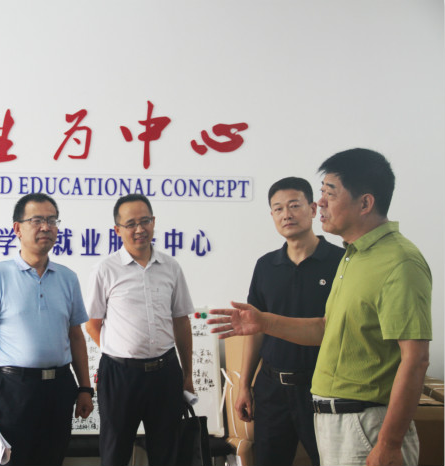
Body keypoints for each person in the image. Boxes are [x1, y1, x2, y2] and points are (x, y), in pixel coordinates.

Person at [209, 148, 431, 466]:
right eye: (322, 192)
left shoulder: (398, 262)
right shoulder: (355, 257)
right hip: (328, 413)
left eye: (330, 193)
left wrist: (389, 443)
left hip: (365, 421)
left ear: (365, 203)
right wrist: (264, 323)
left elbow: (416, 358)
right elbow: (327, 328)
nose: (321, 203)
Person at [0, 193, 93, 466]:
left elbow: (76, 336)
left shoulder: (68, 278)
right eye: (37, 220)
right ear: (17, 228)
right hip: (13, 389)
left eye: (52, 221)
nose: (46, 227)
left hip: (59, 388)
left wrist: (85, 387)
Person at [236, 177, 344, 466]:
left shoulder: (340, 262)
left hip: (322, 388)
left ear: (313, 209)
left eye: (294, 205)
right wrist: (244, 385)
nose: (286, 214)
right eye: (278, 208)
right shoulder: (265, 266)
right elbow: (255, 330)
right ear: (272, 215)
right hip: (272, 389)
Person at [85, 194, 195, 466]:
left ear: (153, 222)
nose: (139, 229)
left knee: (167, 454)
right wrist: (120, 350)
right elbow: (92, 324)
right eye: (131, 223)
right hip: (119, 376)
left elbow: (181, 321)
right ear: (117, 230)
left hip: (165, 372)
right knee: (115, 453)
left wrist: (187, 374)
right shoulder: (105, 269)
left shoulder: (171, 267)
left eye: (145, 221)